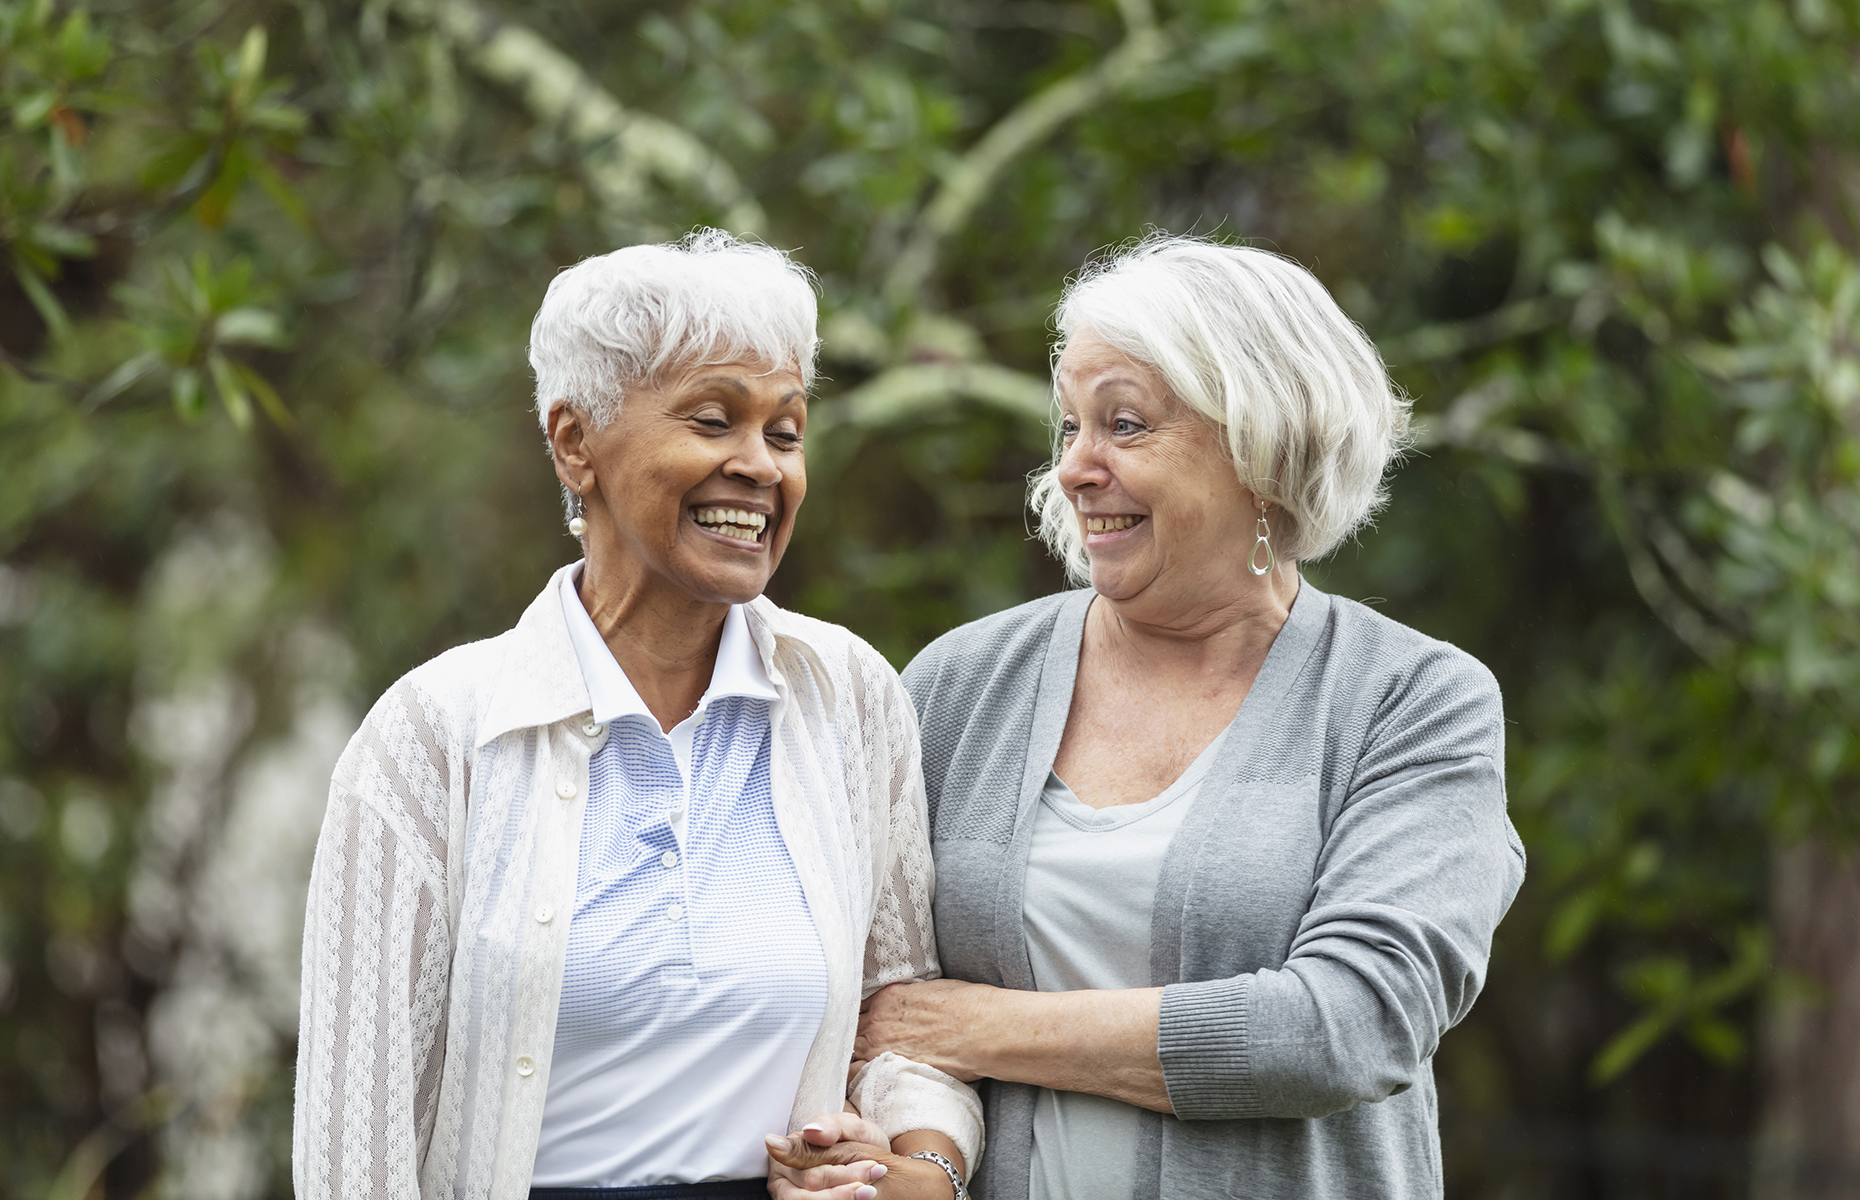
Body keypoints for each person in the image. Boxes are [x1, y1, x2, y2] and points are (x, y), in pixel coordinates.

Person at [293, 231, 980, 1200]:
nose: (760, 467)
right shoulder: (432, 739)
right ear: (576, 443)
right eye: (711, 421)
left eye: (785, 433)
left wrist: (923, 1170)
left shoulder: (850, 700)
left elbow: (902, 1025)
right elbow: (351, 1161)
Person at [851, 235, 1527, 1199]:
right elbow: (875, 1012)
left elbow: (1345, 1027)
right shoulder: (959, 685)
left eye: (1125, 425)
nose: (1078, 468)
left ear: (1262, 443)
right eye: (1071, 426)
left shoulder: (1412, 702)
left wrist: (976, 1025)